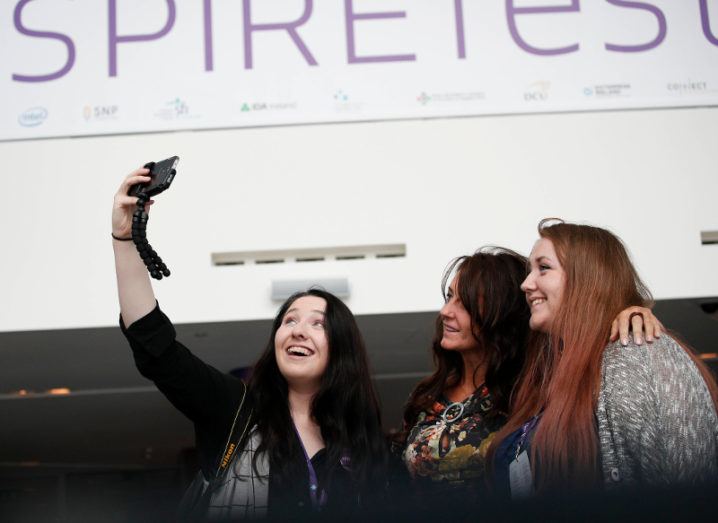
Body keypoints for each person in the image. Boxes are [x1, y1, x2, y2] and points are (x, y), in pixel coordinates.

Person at [112, 168, 387, 521]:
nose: (298, 330)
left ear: (343, 349)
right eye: (289, 320)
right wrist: (125, 239)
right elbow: (156, 348)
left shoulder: (363, 439)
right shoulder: (235, 411)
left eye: (317, 324)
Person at [396, 247, 661, 514]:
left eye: (463, 303)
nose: (445, 311)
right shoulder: (428, 394)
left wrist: (631, 313)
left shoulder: (533, 392)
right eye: (449, 297)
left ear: (501, 313)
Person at [491, 219, 718, 499]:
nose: (526, 284)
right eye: (529, 271)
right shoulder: (554, 371)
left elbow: (683, 489)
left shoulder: (636, 352)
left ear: (587, 278)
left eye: (544, 268)